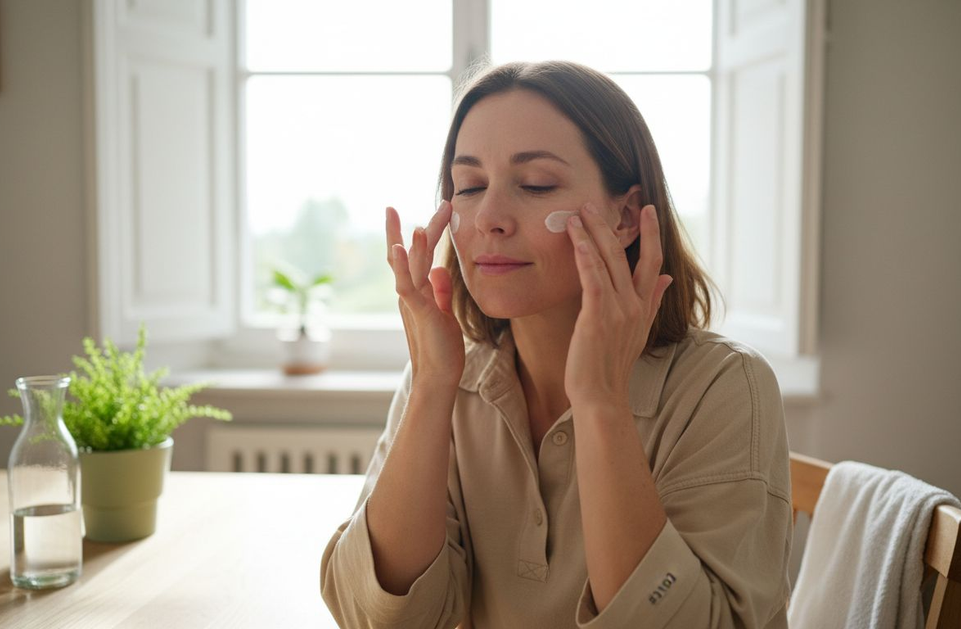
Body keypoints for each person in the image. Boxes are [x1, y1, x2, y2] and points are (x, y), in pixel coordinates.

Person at [320, 60, 792, 629]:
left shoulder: (724, 387)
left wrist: (599, 402)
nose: (489, 216)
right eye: (468, 186)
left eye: (536, 184)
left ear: (623, 216)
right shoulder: (444, 377)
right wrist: (431, 389)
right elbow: (377, 618)